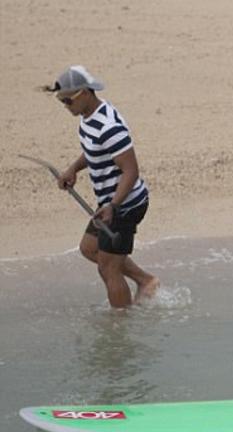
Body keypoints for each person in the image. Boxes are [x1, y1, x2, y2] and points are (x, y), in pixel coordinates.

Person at [49, 65, 159, 308]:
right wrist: (73, 169)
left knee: (108, 269)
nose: (66, 106)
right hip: (110, 202)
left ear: (85, 94)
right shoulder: (88, 118)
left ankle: (119, 333)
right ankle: (145, 280)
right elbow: (93, 149)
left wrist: (113, 206)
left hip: (126, 204)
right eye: (62, 102)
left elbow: (131, 171)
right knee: (90, 249)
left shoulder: (110, 128)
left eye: (68, 101)